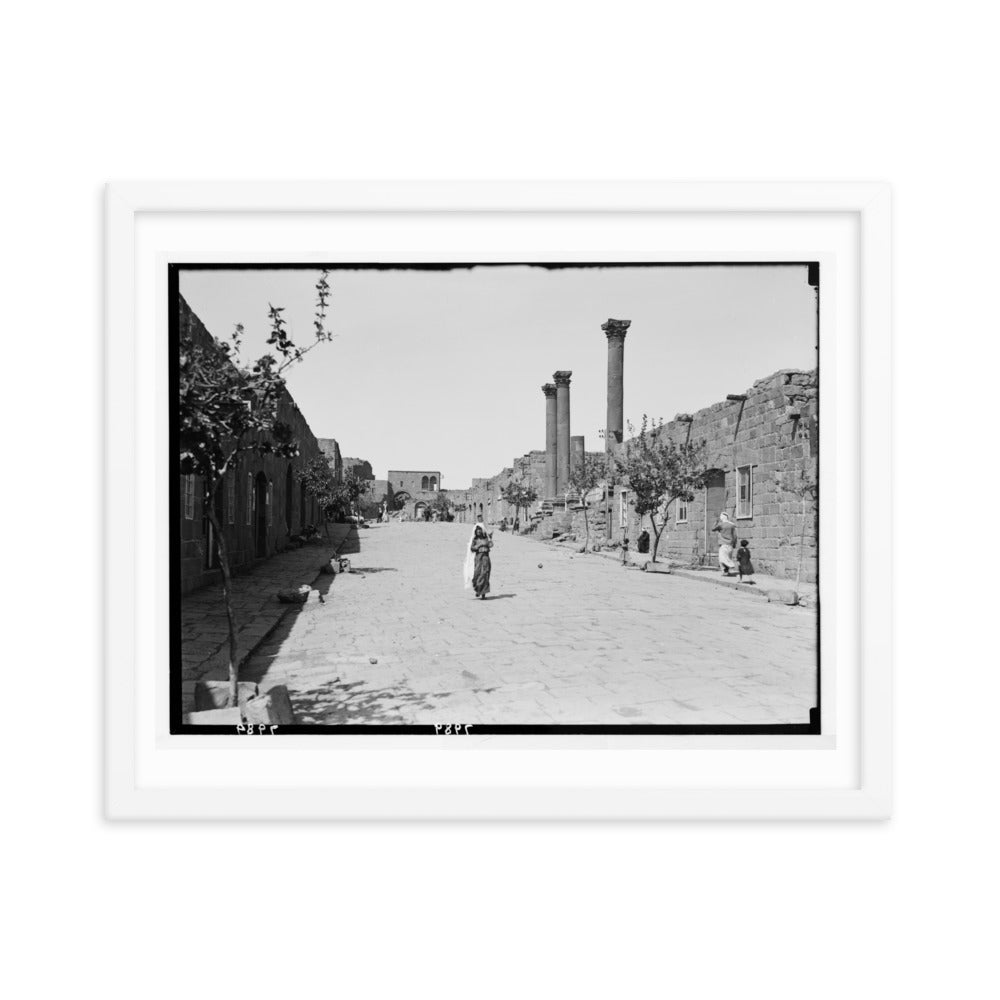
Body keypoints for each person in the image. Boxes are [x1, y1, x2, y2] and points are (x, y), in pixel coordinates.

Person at [463, 522, 493, 599]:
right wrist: (478, 546)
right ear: (475, 532)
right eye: (477, 531)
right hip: (478, 558)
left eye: (480, 530)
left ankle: (483, 593)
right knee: (477, 573)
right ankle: (478, 590)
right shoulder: (475, 539)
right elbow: (472, 548)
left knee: (485, 574)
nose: (479, 532)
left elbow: (491, 545)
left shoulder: (486, 538)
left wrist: (490, 539)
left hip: (486, 557)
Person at [712, 511, 738, 576]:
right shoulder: (732, 525)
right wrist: (734, 544)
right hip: (730, 545)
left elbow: (713, 529)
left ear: (722, 518)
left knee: (722, 559)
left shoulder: (721, 525)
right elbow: (735, 536)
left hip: (723, 544)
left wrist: (716, 521)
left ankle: (730, 565)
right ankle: (726, 572)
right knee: (728, 557)